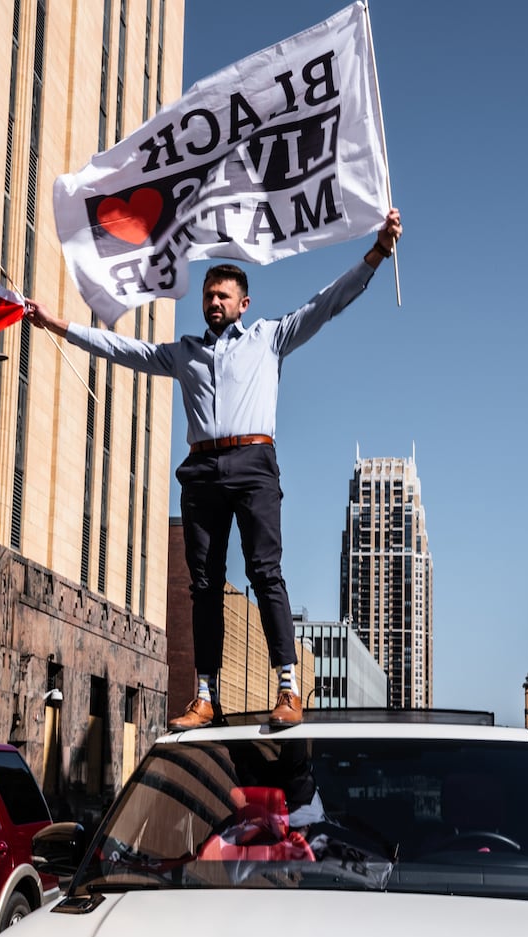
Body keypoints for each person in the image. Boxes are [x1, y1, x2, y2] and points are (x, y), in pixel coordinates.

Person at [27, 208, 402, 730]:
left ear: (244, 303)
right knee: (202, 585)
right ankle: (205, 695)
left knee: (264, 572)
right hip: (201, 471)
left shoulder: (270, 337)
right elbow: (124, 349)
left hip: (253, 465)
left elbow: (326, 303)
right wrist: (58, 325)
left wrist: (378, 254)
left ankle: (289, 690)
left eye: (223, 296)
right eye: (208, 296)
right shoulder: (185, 353)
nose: (214, 303)